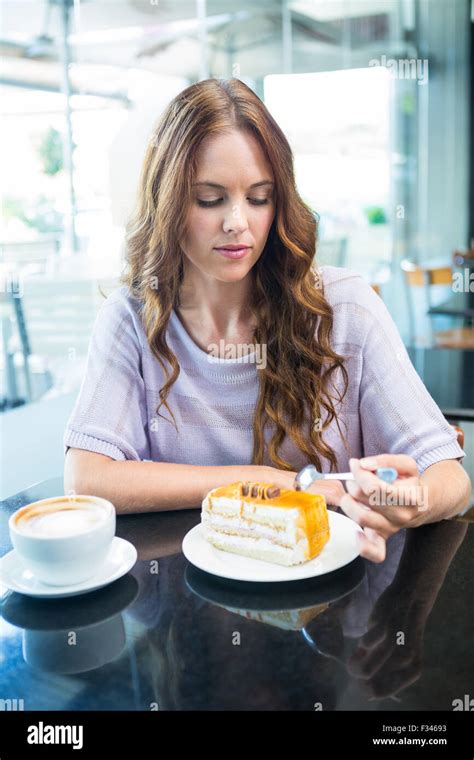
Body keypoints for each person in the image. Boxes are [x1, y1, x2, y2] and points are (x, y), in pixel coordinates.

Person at [63, 78, 471, 562]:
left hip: (333, 604)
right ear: (168, 201)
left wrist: (414, 503)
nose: (238, 222)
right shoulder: (132, 317)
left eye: (259, 197)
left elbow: (453, 480)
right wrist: (264, 481)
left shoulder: (345, 307)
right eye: (210, 198)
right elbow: (86, 479)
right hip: (191, 605)